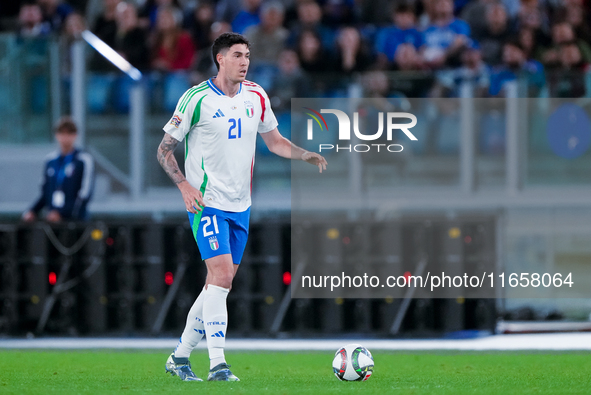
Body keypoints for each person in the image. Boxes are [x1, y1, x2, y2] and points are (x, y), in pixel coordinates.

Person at [157, 32, 327, 382]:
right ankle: (218, 364)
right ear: (220, 59)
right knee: (220, 276)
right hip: (207, 203)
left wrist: (304, 153)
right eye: (237, 55)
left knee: (220, 284)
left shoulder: (257, 95)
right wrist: (184, 185)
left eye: (247, 55)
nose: (244, 61)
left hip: (240, 204)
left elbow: (275, 142)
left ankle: (179, 356)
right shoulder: (196, 98)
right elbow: (163, 150)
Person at [22, 117, 94, 223]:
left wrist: (62, 213)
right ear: (56, 135)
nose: (65, 137)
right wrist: (32, 211)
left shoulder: (84, 159)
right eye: (62, 133)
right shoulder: (50, 160)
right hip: (52, 221)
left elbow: (84, 194)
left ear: (75, 136)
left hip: (76, 221)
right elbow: (45, 192)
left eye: (69, 133)